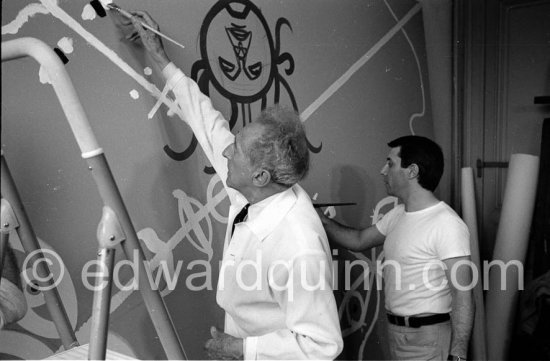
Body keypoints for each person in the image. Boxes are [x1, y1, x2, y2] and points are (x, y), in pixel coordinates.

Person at [123, 10, 343, 360]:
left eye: (236, 150)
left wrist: (243, 349)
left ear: (260, 176)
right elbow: (209, 126)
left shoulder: (297, 245)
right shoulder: (257, 194)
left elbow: (322, 345)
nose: (226, 150)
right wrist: (161, 57)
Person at [318, 135, 474, 361]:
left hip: (429, 338)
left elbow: (463, 294)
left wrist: (457, 355)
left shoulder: (446, 224)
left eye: (390, 163)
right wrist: (322, 220)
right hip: (398, 333)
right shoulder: (398, 215)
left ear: (412, 171)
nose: (383, 171)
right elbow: (359, 240)